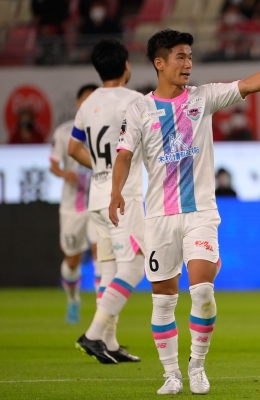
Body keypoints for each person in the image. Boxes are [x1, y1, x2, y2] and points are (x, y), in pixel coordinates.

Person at [109, 28, 260, 395]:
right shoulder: (139, 110)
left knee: (202, 292)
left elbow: (250, 84)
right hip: (159, 216)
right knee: (163, 300)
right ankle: (171, 375)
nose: (188, 64)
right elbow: (124, 156)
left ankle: (196, 365)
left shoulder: (203, 97)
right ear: (159, 63)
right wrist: (116, 192)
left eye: (190, 57)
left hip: (201, 214)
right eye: (180, 57)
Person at [68, 39, 145, 364]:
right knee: (136, 265)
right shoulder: (135, 100)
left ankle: (109, 343)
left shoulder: (88, 104)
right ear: (126, 66)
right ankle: (93, 333)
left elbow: (73, 148)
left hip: (96, 197)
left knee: (109, 268)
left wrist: (101, 167)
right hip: (122, 197)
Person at [49, 83, 100, 323]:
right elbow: (53, 164)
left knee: (101, 254)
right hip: (73, 206)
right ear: (78, 103)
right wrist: (64, 174)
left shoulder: (106, 131)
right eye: (86, 100)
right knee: (72, 260)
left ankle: (103, 314)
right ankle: (73, 300)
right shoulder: (64, 132)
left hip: (99, 202)